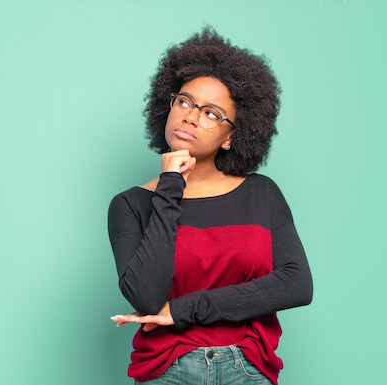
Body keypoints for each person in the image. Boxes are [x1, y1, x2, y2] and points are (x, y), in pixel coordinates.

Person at [107, 27, 313, 385]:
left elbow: (296, 285)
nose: (190, 116)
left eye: (211, 113)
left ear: (232, 136)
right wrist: (170, 186)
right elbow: (147, 297)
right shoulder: (132, 204)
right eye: (185, 102)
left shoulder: (261, 195)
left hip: (246, 369)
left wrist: (184, 310)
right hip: (167, 370)